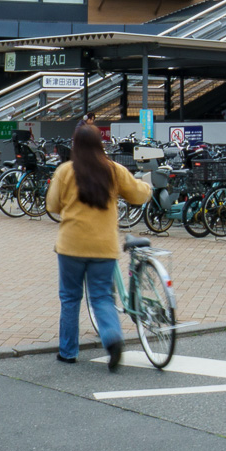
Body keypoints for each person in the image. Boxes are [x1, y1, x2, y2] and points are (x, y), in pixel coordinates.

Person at [45, 119, 151, 371]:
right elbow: (138, 194)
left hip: (71, 246)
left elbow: (52, 205)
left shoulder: (65, 171)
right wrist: (148, 186)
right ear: (100, 144)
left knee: (70, 298)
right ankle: (113, 339)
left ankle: (68, 352)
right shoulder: (113, 170)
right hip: (103, 246)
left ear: (75, 145)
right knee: (102, 296)